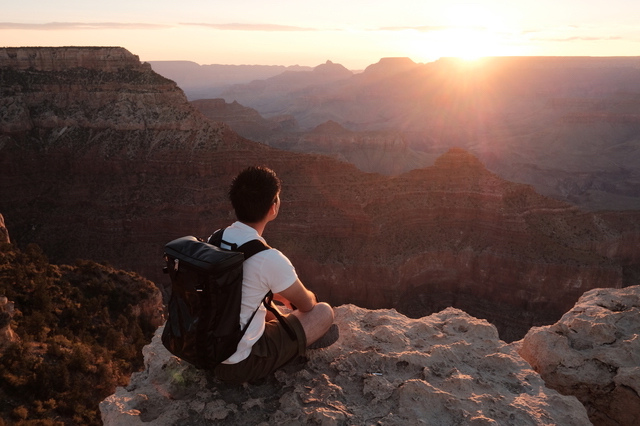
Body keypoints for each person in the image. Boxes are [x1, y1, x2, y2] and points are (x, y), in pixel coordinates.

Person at [212, 166, 338, 384]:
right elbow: (307, 305)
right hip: (239, 364)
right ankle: (296, 344)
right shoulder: (268, 258)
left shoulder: (217, 238)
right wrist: (298, 302)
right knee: (324, 312)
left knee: (275, 305)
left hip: (207, 350)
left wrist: (277, 298)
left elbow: (240, 289)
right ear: (273, 207)